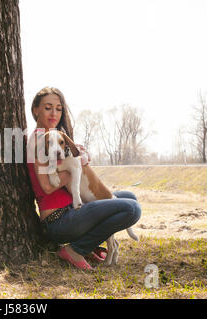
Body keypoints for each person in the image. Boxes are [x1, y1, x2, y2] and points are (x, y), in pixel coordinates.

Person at [26, 87, 141, 270]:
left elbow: (67, 163)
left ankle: (90, 244)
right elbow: (47, 187)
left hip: (72, 209)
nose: (54, 113)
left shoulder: (55, 138)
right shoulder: (39, 140)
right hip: (59, 219)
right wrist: (76, 165)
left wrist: (77, 158)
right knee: (132, 209)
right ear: (35, 110)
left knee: (129, 197)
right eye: (48, 107)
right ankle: (77, 249)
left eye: (59, 108)